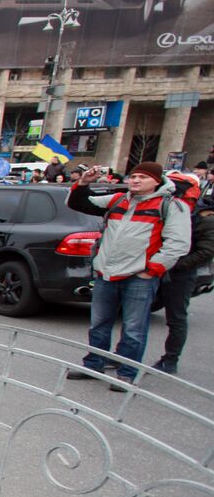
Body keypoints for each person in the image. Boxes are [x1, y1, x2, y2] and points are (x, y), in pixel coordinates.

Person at [66, 162, 191, 387]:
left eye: (142, 177)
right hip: (107, 274)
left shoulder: (171, 206)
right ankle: (94, 363)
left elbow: (178, 244)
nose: (135, 181)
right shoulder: (118, 199)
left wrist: (151, 270)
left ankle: (126, 373)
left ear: (156, 180)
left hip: (138, 277)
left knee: (134, 328)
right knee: (99, 324)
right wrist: (84, 182)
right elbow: (79, 203)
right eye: (133, 176)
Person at [152, 191, 214, 374]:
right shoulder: (163, 211)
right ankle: (124, 356)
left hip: (180, 274)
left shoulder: (203, 219)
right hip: (153, 269)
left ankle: (170, 359)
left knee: (176, 318)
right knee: (136, 316)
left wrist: (173, 265)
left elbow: (206, 251)